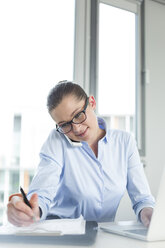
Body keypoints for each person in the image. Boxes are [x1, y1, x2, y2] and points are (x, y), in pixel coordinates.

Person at [7, 80, 155, 227]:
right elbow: (42, 194)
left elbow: (143, 200)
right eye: (65, 125)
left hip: (102, 235)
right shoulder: (57, 141)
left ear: (92, 102)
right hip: (61, 233)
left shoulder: (125, 142)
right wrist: (30, 211)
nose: (76, 129)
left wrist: (149, 214)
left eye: (78, 115)